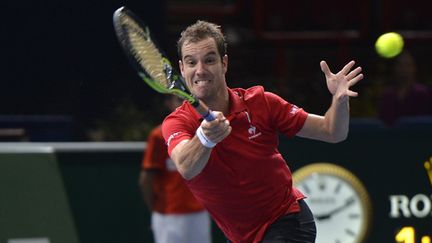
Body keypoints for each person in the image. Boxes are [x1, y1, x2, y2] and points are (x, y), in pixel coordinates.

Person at [162, 20, 363, 243]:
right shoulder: (177, 122)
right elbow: (186, 167)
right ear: (182, 68)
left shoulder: (261, 103)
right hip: (240, 237)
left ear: (224, 63)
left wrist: (339, 100)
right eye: (191, 63)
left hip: (285, 220)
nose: (200, 70)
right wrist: (205, 137)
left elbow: (332, 132)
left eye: (209, 60)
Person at [139, 95, 211, 243]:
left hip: (200, 212)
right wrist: (156, 211)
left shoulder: (204, 130)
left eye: (189, 100)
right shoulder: (158, 136)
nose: (185, 104)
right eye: (179, 100)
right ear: (168, 103)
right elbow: (146, 179)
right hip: (168, 216)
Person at [378, 50, 432, 126]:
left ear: (414, 68)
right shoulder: (387, 94)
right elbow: (384, 122)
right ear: (395, 68)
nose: (403, 69)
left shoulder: (424, 93)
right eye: (400, 65)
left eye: (407, 65)